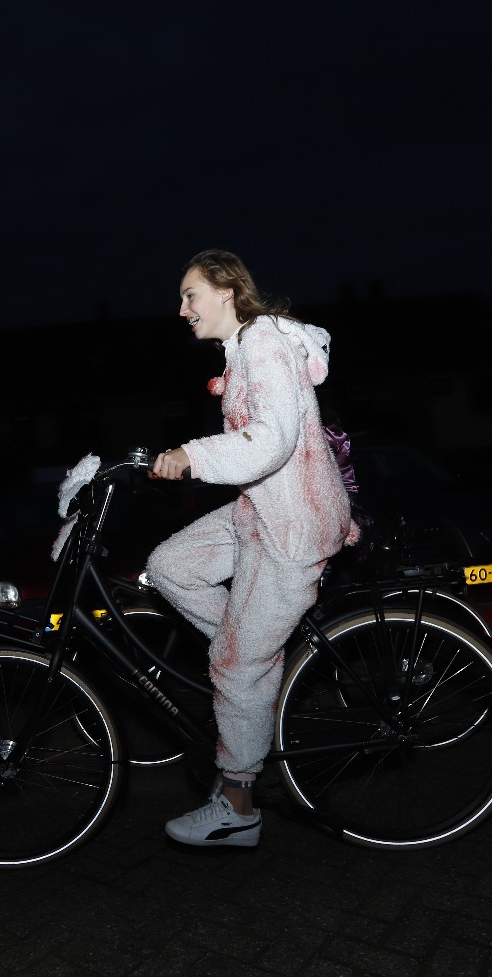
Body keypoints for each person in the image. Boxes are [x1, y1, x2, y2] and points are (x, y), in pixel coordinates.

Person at [147, 249, 354, 847]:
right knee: (170, 566)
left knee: (236, 664)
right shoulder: (242, 349)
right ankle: (252, 661)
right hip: (258, 514)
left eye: (190, 294)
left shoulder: (262, 342)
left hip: (293, 526)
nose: (181, 309)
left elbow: (270, 441)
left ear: (226, 290)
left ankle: (238, 807)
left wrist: (192, 455)